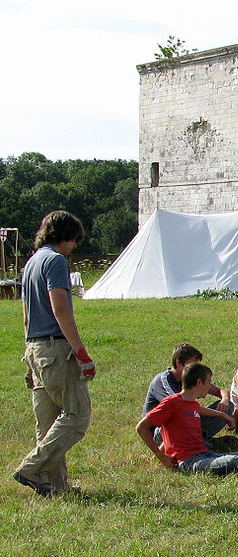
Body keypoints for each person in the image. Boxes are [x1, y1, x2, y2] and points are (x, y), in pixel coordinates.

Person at [13, 211, 94, 497]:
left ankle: (55, 485)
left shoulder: (31, 264)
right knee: (78, 414)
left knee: (47, 422)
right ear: (63, 235)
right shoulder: (55, 261)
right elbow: (60, 308)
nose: (74, 247)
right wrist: (81, 353)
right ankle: (32, 467)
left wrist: (29, 351)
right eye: (74, 240)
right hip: (55, 349)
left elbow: (25, 315)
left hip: (33, 348)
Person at [136, 363, 238, 475]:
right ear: (199, 382)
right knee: (233, 461)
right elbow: (141, 427)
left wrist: (222, 415)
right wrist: (162, 457)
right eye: (208, 382)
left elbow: (191, 414)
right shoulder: (171, 403)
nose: (210, 386)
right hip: (189, 462)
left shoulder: (192, 403)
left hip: (205, 454)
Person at [143, 343, 234, 449]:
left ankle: (202, 440)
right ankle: (205, 442)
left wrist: (225, 400)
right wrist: (220, 415)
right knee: (183, 416)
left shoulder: (191, 377)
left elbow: (220, 391)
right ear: (179, 363)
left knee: (228, 407)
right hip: (161, 431)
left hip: (186, 421)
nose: (195, 369)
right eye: (192, 365)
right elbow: (182, 408)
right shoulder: (163, 381)